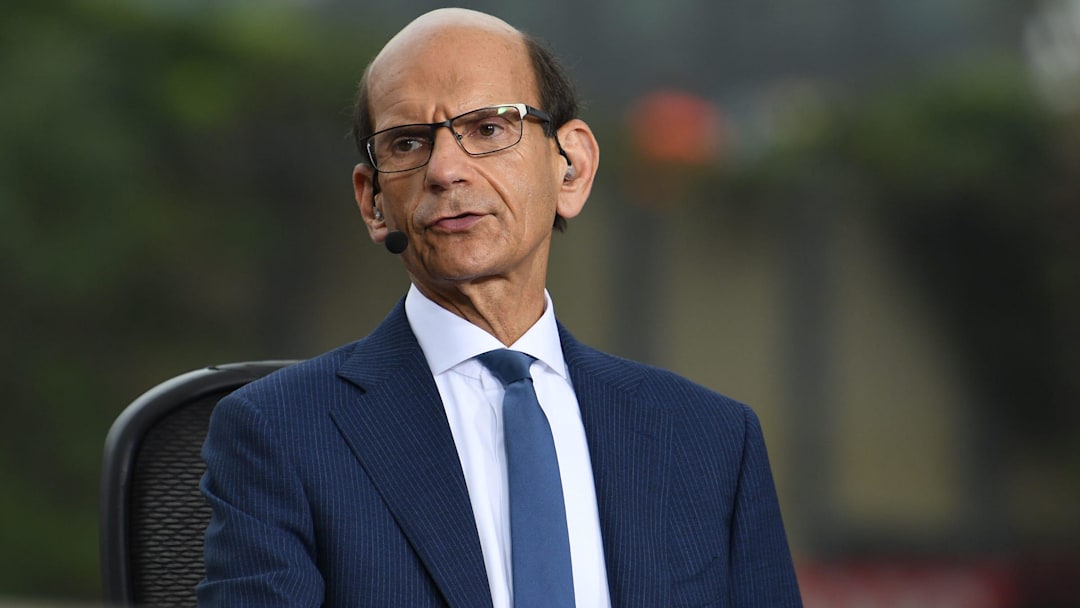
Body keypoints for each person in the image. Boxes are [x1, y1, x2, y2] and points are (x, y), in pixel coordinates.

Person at [198, 7, 802, 607]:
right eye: (407, 142)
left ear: (572, 168)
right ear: (373, 202)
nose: (445, 170)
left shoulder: (712, 440)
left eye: (488, 128)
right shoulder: (280, 433)